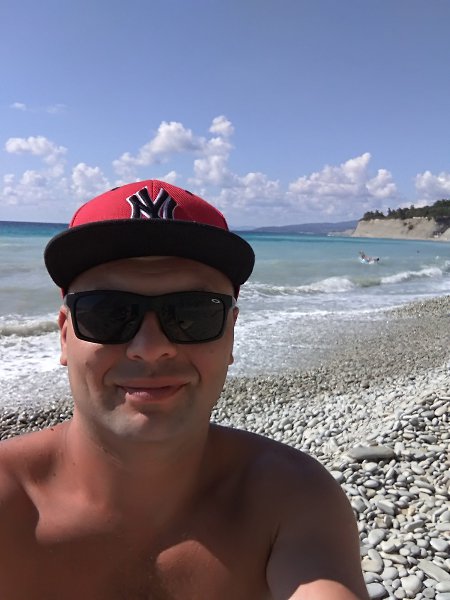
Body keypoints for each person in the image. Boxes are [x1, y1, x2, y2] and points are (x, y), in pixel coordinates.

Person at [0, 180, 369, 599]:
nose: (150, 347)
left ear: (230, 334)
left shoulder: (289, 499)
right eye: (108, 313)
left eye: (193, 313)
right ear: (65, 335)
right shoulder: (9, 501)